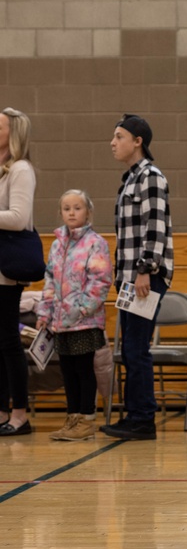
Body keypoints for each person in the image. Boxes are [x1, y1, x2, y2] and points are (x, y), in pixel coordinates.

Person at [101, 114, 173, 441]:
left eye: (119, 137)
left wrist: (145, 269)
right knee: (130, 348)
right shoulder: (130, 179)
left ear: (137, 141)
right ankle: (135, 415)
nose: (113, 143)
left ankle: (143, 418)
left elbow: (154, 228)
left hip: (145, 276)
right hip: (130, 277)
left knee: (136, 347)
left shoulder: (150, 177)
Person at [35, 190, 112, 442]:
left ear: (87, 211)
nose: (71, 212)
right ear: (61, 212)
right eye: (66, 208)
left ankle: (86, 419)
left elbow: (100, 282)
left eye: (77, 208)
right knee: (67, 370)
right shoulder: (57, 244)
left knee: (83, 369)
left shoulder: (96, 243)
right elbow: (49, 280)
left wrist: (80, 310)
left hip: (83, 322)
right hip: (59, 322)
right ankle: (72, 417)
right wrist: (45, 312)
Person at [0, 108, 37, 437]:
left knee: (9, 342)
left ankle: (19, 414)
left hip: (6, 271)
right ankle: (1, 412)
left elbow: (18, 217)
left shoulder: (21, 169)